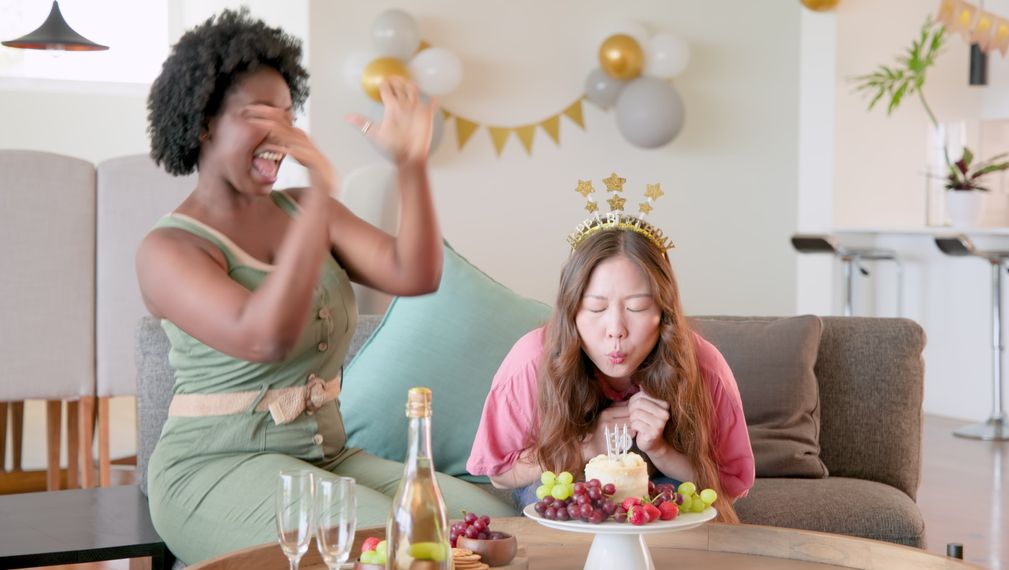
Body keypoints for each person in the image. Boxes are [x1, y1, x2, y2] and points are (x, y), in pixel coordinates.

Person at [138, 9, 513, 564]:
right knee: (375, 540)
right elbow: (263, 337)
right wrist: (319, 195)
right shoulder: (168, 250)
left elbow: (416, 273)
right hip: (214, 469)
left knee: (493, 526)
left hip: (327, 458)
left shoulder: (309, 208)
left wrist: (411, 165)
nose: (284, 135)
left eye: (289, 116)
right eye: (261, 115)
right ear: (203, 122)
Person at [467, 209, 755, 523]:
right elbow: (499, 474)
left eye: (637, 307)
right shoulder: (531, 361)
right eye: (596, 307)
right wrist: (584, 447)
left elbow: (729, 486)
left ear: (664, 311)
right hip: (568, 501)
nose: (615, 329)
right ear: (571, 311)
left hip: (662, 500)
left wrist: (659, 450)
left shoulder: (704, 365)